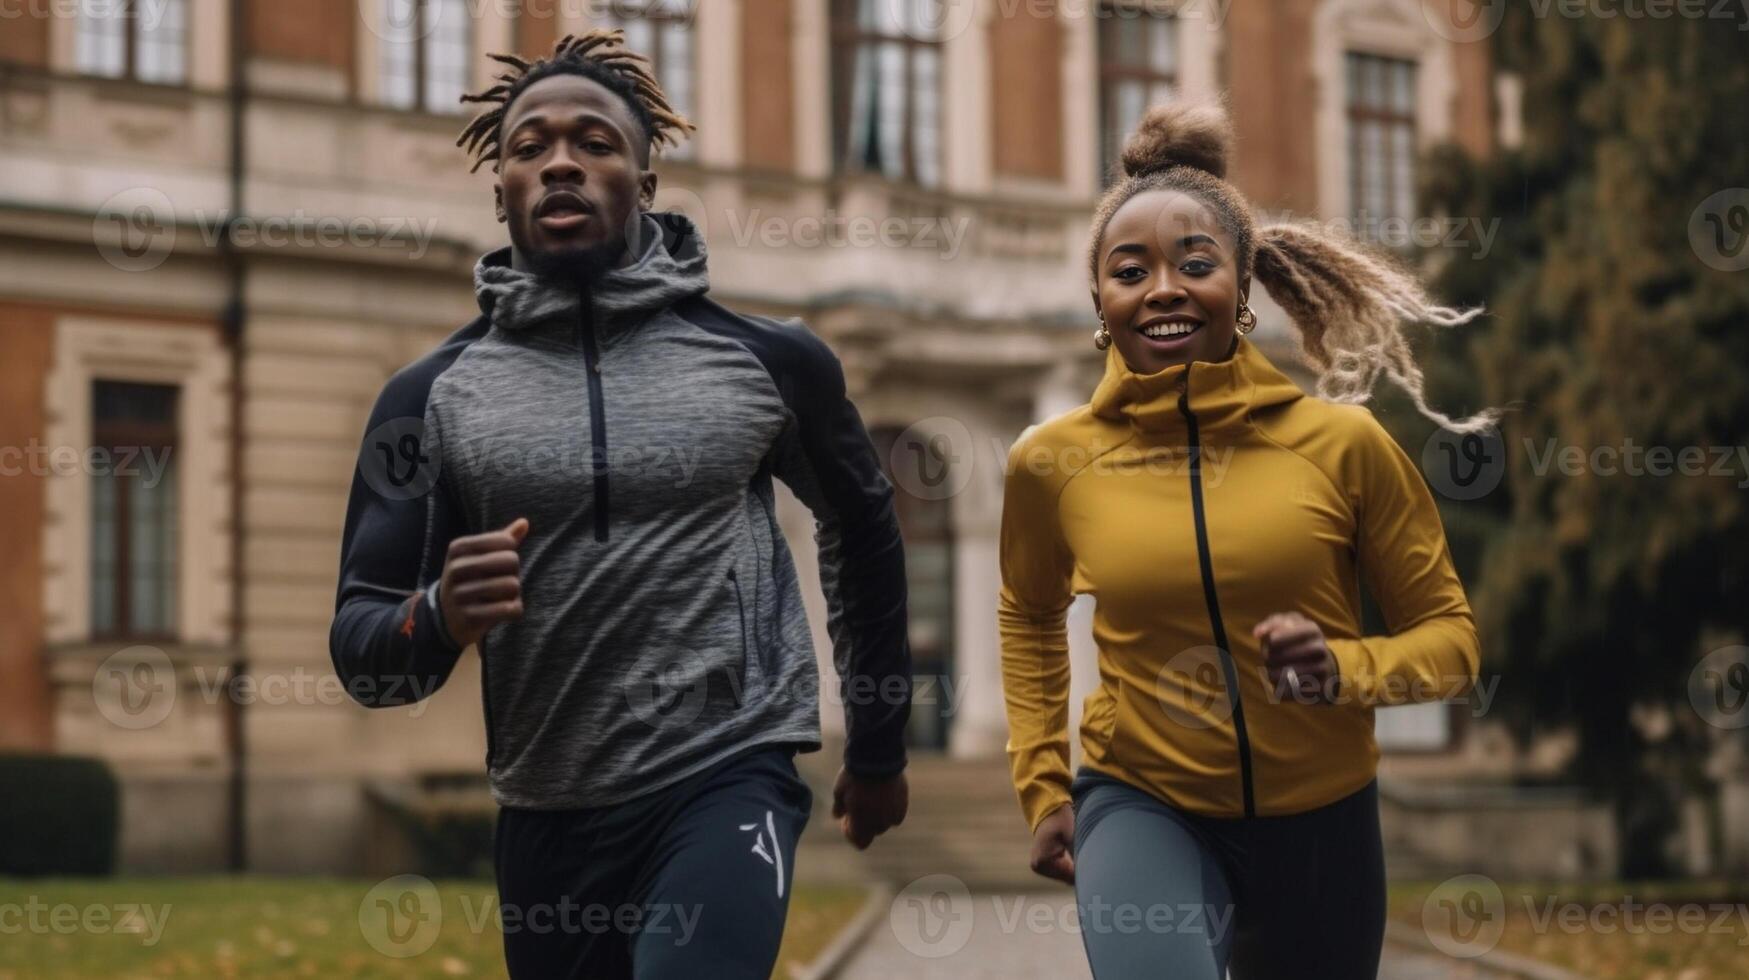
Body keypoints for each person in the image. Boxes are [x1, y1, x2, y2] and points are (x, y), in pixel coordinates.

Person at [329, 31, 910, 979]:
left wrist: (878, 743)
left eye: (595, 142)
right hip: (547, 812)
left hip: (729, 766)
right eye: (530, 146)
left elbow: (864, 527)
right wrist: (436, 616)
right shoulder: (428, 397)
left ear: (644, 180)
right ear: (501, 188)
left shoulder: (770, 361)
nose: (561, 160)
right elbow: (363, 651)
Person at [996, 101, 1492, 979]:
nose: (1163, 288)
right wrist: (1043, 782)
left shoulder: (1342, 444)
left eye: (1195, 263)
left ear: (1243, 286)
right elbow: (1029, 613)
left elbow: (1451, 642)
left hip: (1323, 825)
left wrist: (1342, 669)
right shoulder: (1051, 462)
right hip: (1144, 803)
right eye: (1129, 270)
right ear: (1100, 304)